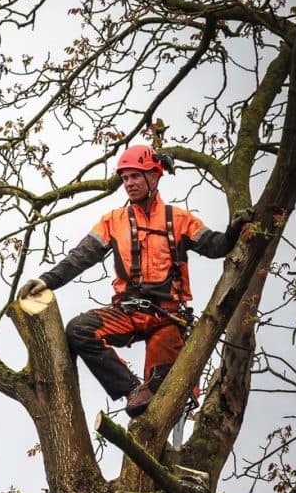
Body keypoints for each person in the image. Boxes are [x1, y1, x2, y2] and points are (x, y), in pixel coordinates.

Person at [18, 144, 253, 417]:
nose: (129, 183)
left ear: (154, 176)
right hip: (127, 312)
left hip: (168, 319)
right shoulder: (113, 221)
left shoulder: (179, 220)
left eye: (136, 176)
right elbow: (80, 257)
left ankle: (147, 396)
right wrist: (48, 280)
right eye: (125, 177)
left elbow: (215, 246)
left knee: (153, 403)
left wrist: (234, 232)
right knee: (79, 330)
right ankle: (130, 388)